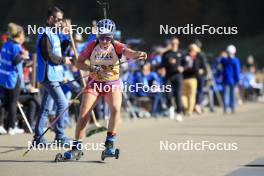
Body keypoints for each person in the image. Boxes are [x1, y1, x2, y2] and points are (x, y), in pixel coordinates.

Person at [63, 19, 147, 159]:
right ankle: (76, 148)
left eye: (108, 38)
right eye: (102, 37)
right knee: (84, 114)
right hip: (95, 83)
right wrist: (90, 68)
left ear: (112, 37)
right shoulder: (91, 46)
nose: (104, 41)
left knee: (115, 109)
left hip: (111, 84)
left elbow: (129, 52)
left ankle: (109, 145)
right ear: (98, 36)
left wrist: (138, 53)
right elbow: (79, 63)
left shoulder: (117, 46)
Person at [33, 6, 73, 145]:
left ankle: (38, 137)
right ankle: (60, 136)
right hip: (48, 75)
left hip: (54, 75)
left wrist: (67, 38)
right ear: (51, 19)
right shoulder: (44, 33)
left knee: (45, 108)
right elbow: (49, 56)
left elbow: (60, 51)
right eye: (59, 20)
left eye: (62, 20)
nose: (61, 22)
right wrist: (63, 60)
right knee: (63, 104)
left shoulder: (54, 33)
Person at [0, 23, 28, 135]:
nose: (24, 36)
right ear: (18, 35)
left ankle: (1, 125)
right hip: (12, 78)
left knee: (3, 101)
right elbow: (15, 61)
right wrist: (24, 56)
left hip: (2, 76)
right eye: (23, 34)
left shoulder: (6, 44)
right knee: (13, 102)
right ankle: (11, 127)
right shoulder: (16, 46)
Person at [161, 37, 185, 122]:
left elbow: (186, 63)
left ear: (178, 44)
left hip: (178, 76)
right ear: (170, 44)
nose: (174, 45)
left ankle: (178, 113)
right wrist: (162, 69)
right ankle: (170, 107)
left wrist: (183, 68)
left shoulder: (181, 53)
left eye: (176, 43)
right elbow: (162, 65)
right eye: (173, 43)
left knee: (178, 95)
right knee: (168, 93)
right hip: (168, 76)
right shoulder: (166, 54)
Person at [182, 43, 207, 116]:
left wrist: (203, 71)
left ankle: (195, 106)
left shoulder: (200, 56)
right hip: (191, 77)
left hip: (197, 77)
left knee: (196, 92)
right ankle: (191, 108)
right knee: (190, 94)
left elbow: (204, 67)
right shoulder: (187, 56)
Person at [220, 45, 241, 113]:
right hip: (233, 80)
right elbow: (237, 71)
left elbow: (220, 64)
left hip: (226, 79)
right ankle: (232, 108)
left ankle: (225, 108)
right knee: (232, 94)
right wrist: (238, 79)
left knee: (226, 94)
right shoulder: (235, 60)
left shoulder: (224, 60)